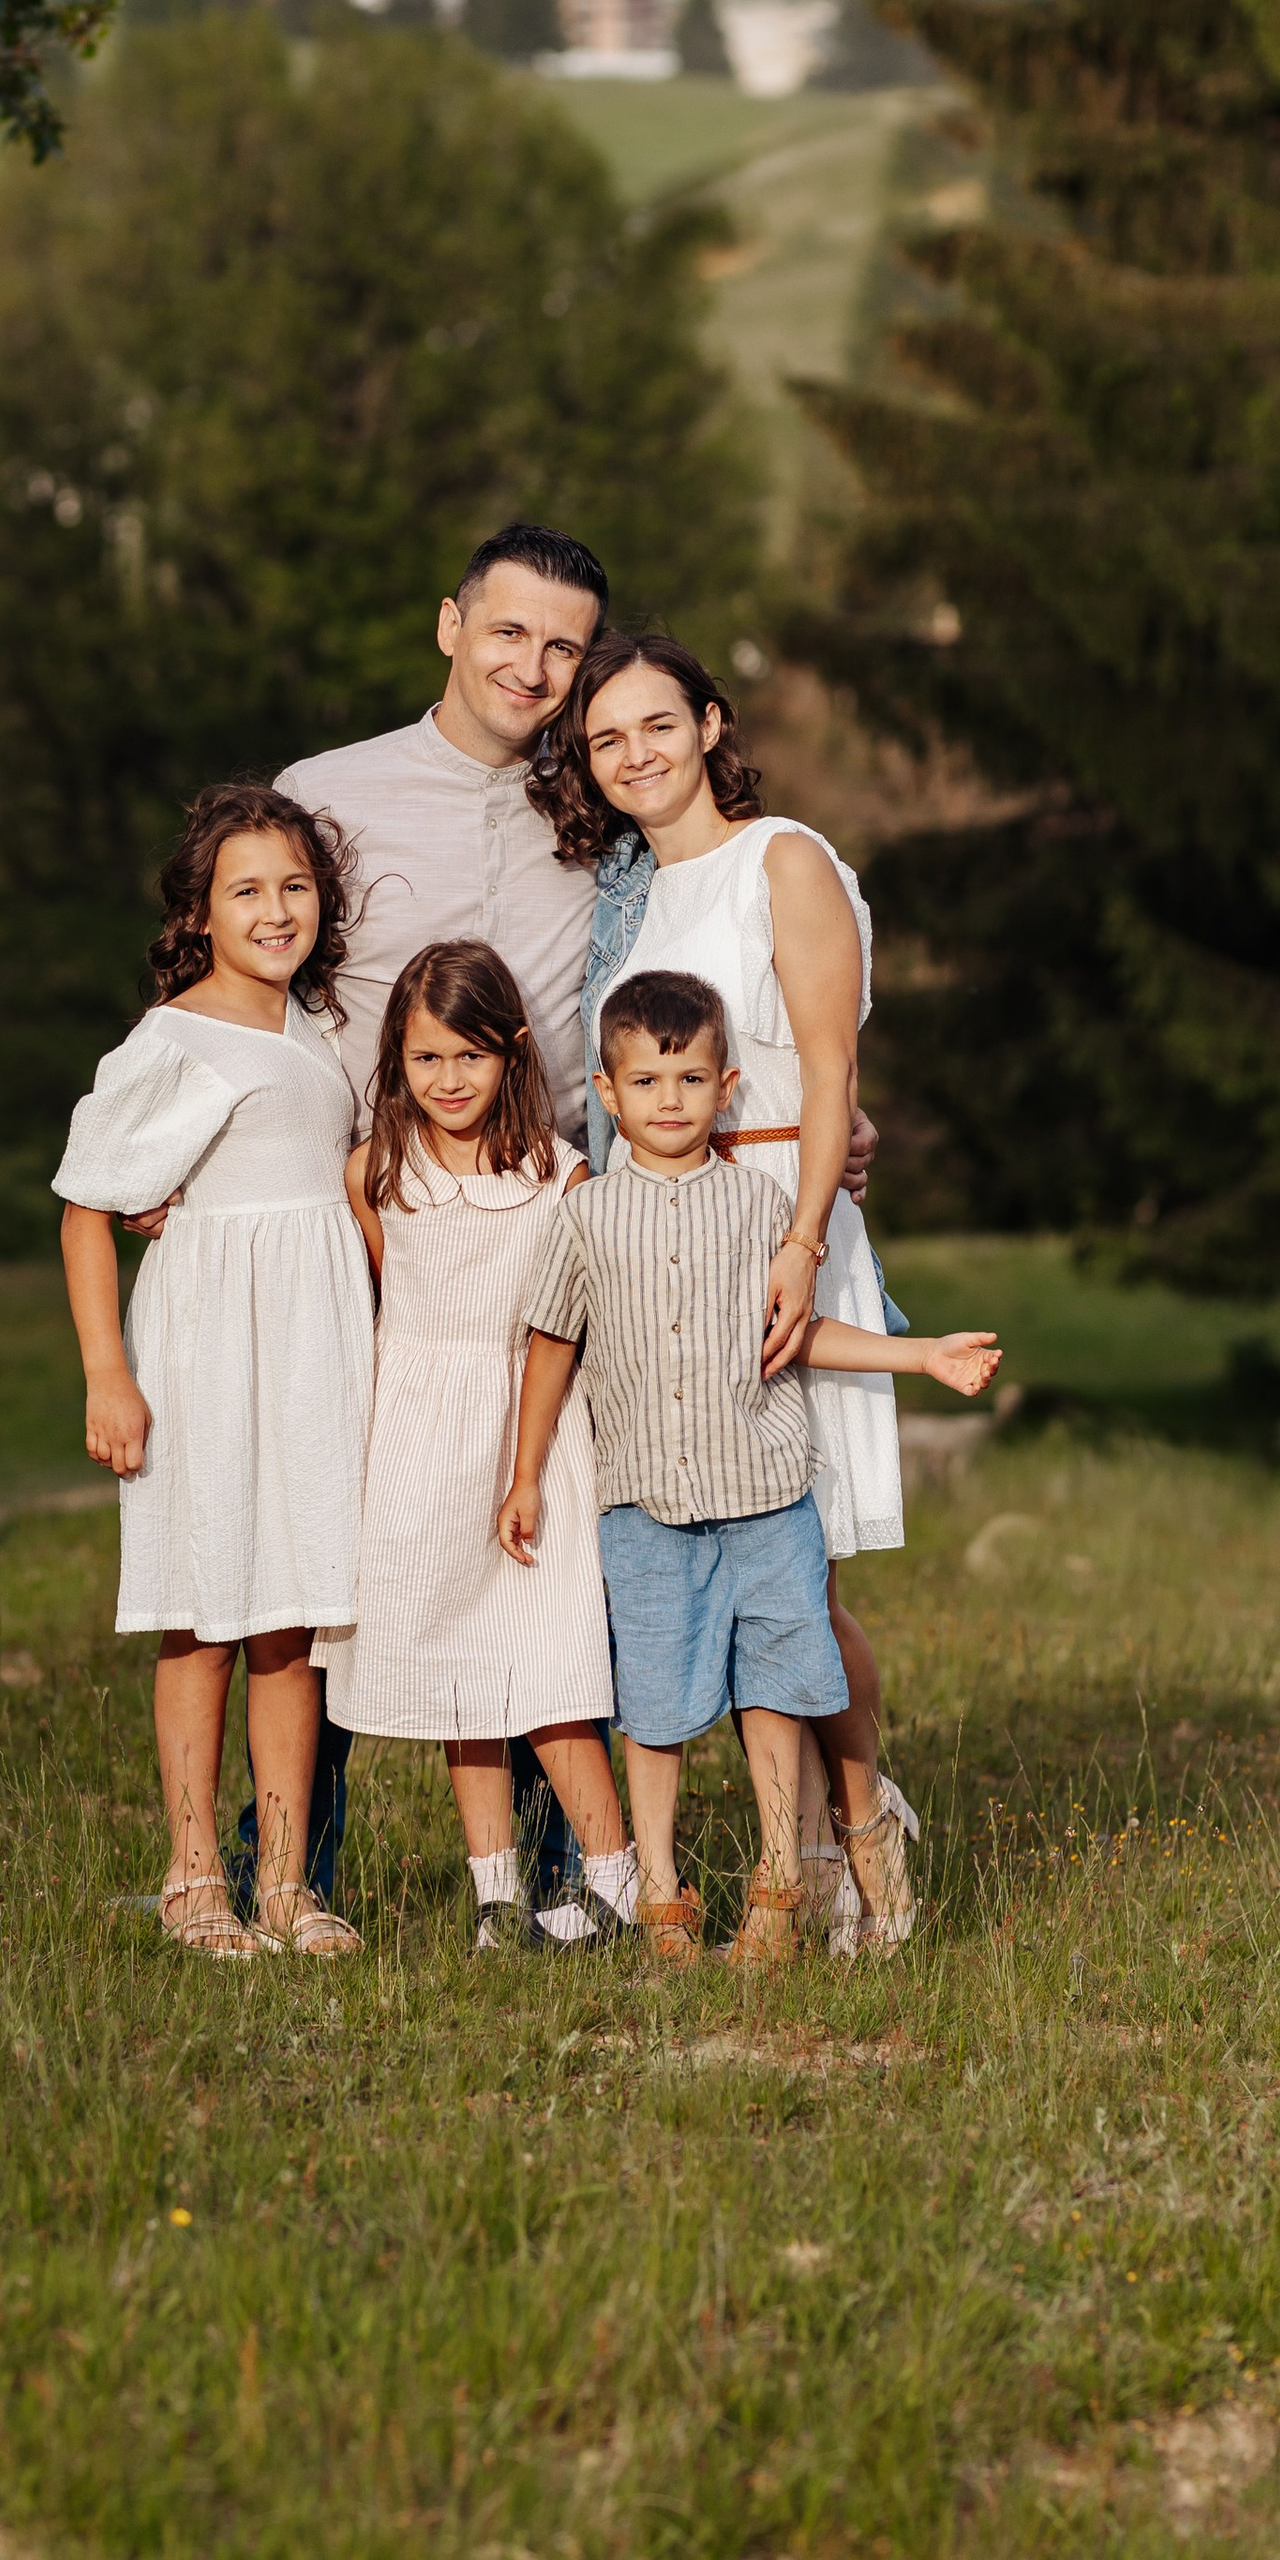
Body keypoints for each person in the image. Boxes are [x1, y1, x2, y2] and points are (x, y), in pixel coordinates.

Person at [536, 630, 927, 1950]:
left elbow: (829, 1072)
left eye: (658, 724)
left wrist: (803, 1239)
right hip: (659, 1253)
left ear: (711, 724)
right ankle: (798, 1854)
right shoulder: (630, 900)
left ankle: (869, 1832)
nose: (635, 754)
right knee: (720, 1572)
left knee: (797, 1579)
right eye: (606, 739)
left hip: (775, 1235)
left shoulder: (785, 861)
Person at [499, 966, 1000, 1963]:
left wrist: (918, 1351)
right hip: (645, 1507)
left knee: (775, 1687)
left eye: (689, 1079)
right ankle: (663, 1902)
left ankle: (777, 1889)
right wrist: (523, 1475)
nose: (669, 1101)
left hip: (767, 1499)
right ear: (606, 1094)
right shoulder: (587, 1215)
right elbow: (551, 1344)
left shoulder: (759, 1203)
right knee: (655, 1702)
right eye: (646, 1082)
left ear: (725, 1086)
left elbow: (799, 1335)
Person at [53, 783, 371, 1960]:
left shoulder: (319, 1029)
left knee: (292, 1623)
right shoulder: (170, 1039)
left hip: (313, 1350)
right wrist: (107, 1375)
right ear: (199, 909)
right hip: (208, 1351)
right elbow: (89, 1207)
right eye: (247, 890)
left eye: (295, 886)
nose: (276, 910)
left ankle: (283, 1883)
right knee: (201, 1621)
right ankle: (194, 1876)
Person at [325, 940, 637, 1952]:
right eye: (424, 1061)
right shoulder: (377, 1171)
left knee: (549, 1674)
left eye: (468, 1057)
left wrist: (530, 1466)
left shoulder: (565, 1177)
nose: (447, 1081)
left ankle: (616, 1879)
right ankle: (497, 1899)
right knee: (463, 1674)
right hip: (419, 1444)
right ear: (397, 1063)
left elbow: (577, 1323)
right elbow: (381, 1299)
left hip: (535, 1443)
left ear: (510, 1053)